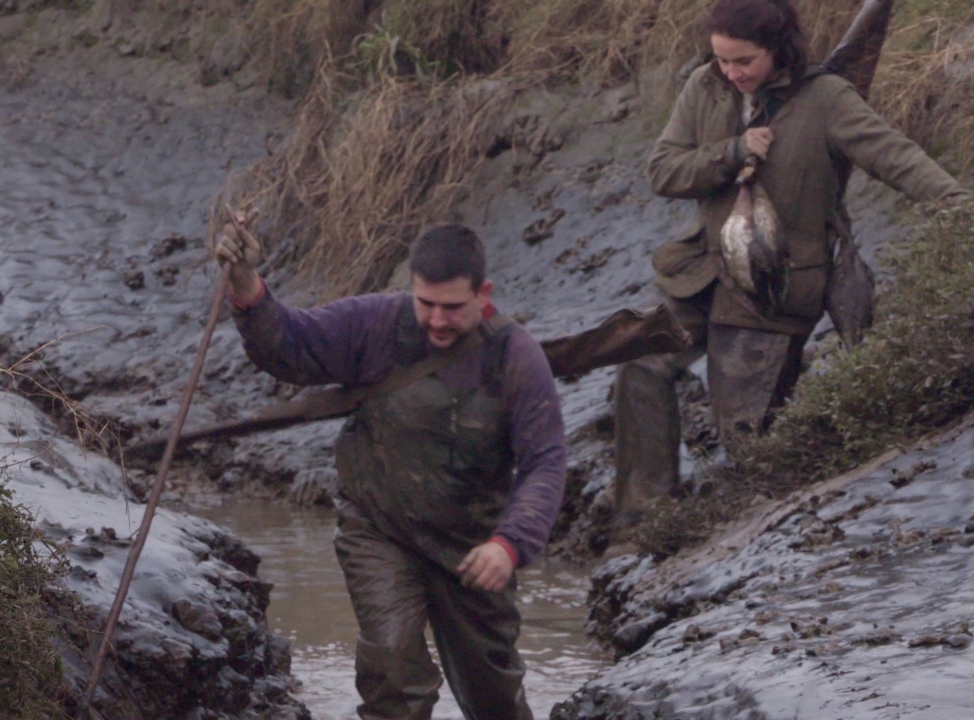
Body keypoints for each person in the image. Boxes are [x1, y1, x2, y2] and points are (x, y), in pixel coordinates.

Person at [612, 0, 971, 527]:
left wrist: (961, 211)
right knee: (638, 365)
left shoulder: (828, 99)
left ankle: (756, 533)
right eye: (721, 60)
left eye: (744, 63)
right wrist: (732, 151)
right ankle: (642, 524)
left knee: (747, 437)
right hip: (698, 271)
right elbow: (662, 171)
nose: (731, 74)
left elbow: (896, 157)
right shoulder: (705, 85)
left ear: (780, 51)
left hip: (771, 291)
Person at [215, 218, 566, 720]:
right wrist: (246, 285)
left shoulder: (516, 356)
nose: (438, 321)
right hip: (378, 529)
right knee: (394, 674)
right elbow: (291, 345)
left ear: (483, 293)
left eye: (452, 308)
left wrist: (509, 544)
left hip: (472, 545)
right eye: (426, 304)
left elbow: (545, 462)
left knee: (494, 699)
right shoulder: (375, 322)